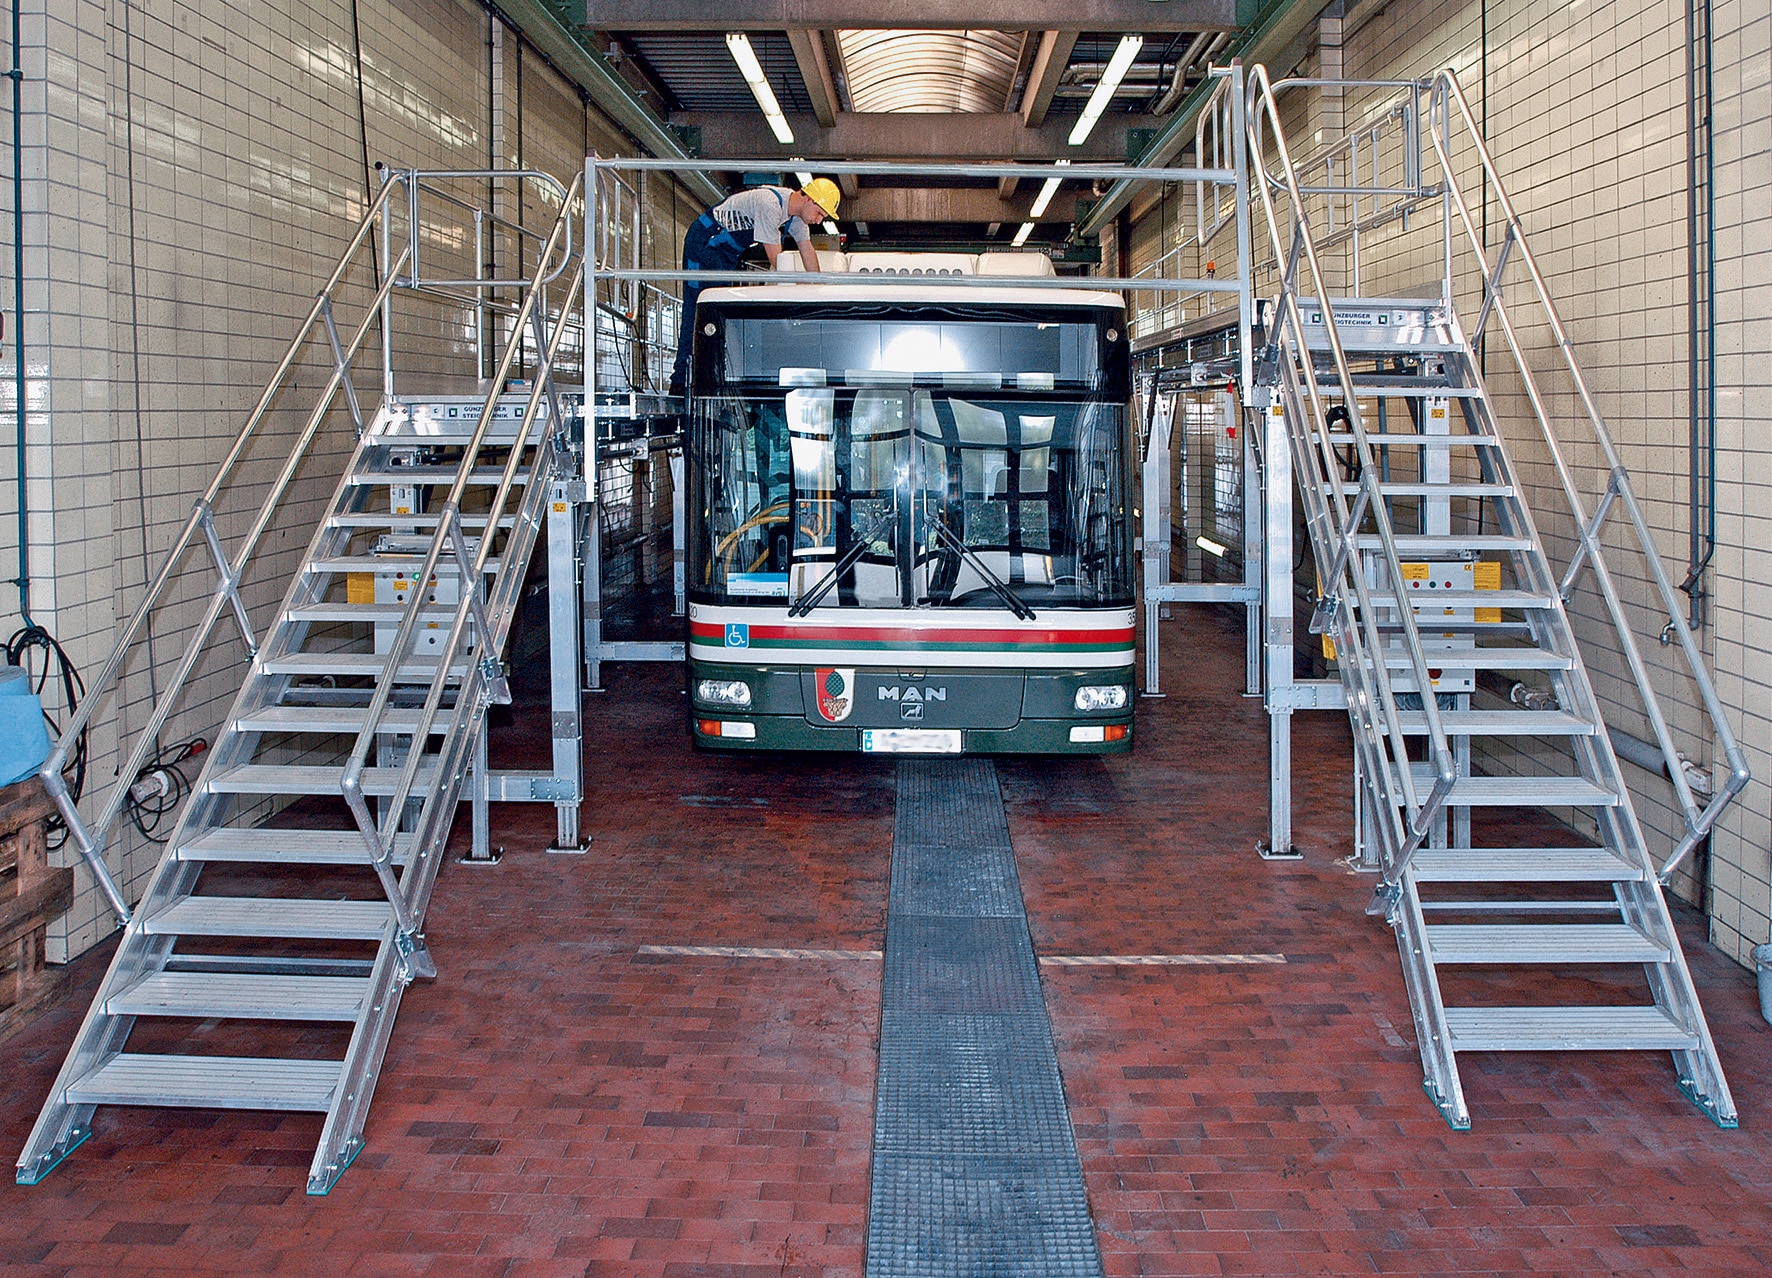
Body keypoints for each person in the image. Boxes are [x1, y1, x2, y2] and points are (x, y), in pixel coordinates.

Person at [670, 178, 841, 398]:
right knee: (696, 313)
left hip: (725, 254)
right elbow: (776, 260)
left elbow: (807, 249)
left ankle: (710, 384)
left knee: (719, 318)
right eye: (819, 213)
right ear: (809, 199)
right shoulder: (769, 204)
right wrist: (797, 289)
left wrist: (818, 289)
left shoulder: (795, 217)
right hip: (704, 244)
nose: (818, 220)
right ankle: (679, 383)